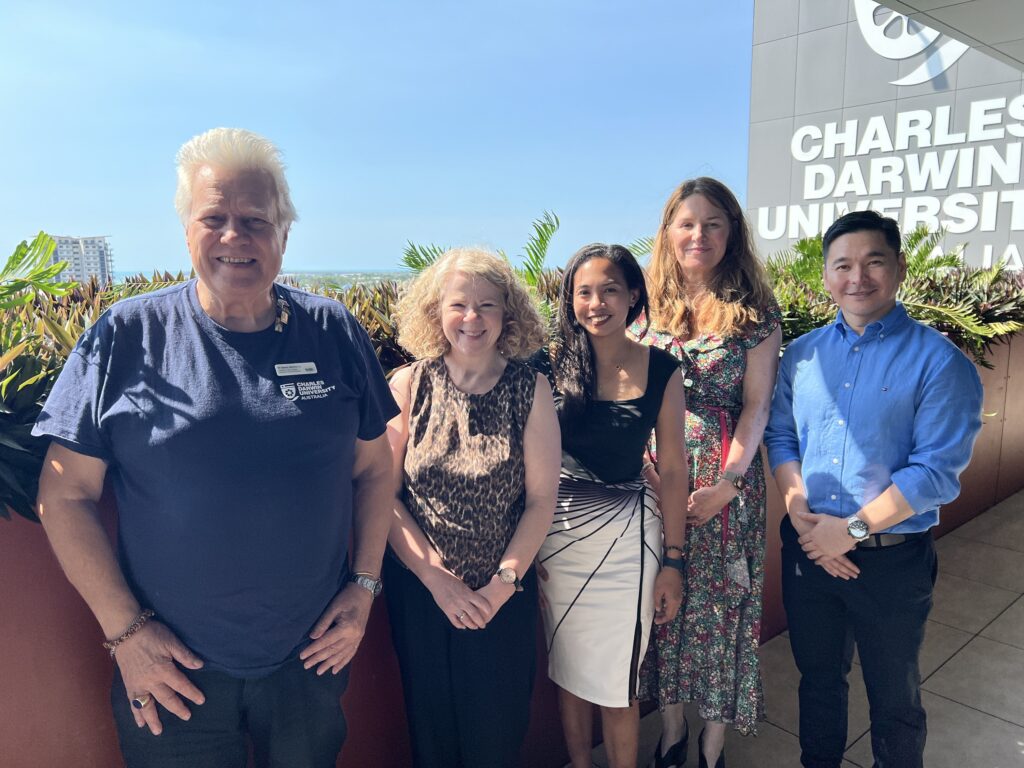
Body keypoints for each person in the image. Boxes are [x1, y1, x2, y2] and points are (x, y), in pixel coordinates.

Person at [32, 127, 398, 768]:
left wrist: (364, 587)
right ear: (186, 231)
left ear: (284, 234)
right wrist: (127, 634)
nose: (235, 237)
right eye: (214, 219)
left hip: (310, 658)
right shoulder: (125, 335)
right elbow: (63, 495)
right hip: (170, 668)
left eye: (256, 220)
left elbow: (373, 467)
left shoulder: (333, 330)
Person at [764, 209, 983, 768]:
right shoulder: (802, 355)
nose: (857, 277)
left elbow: (935, 472)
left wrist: (852, 530)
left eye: (873, 262)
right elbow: (782, 435)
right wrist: (800, 513)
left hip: (891, 561)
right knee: (818, 680)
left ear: (900, 268)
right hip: (809, 549)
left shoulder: (940, 362)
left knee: (894, 698)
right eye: (843, 265)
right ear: (825, 275)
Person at [386, 247, 560, 768]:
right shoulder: (408, 384)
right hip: (421, 596)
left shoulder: (531, 388)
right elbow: (383, 496)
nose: (472, 318)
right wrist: (436, 579)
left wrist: (499, 587)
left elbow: (541, 501)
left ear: (508, 313)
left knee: (495, 739)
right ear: (436, 311)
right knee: (432, 736)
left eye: (487, 305)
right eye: (458, 304)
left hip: (499, 599)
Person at [634, 178, 782, 768]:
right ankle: (672, 731)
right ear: (668, 232)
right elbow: (623, 396)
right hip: (653, 478)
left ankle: (712, 744)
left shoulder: (755, 314)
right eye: (687, 223)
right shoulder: (642, 308)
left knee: (723, 609)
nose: (699, 235)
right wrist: (648, 472)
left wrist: (727, 483)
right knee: (662, 604)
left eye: (713, 223)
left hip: (726, 484)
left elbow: (757, 405)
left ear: (732, 233)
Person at [534, 243, 687, 768]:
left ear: (633, 296)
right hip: (556, 542)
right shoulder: (545, 365)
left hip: (628, 547)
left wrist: (673, 561)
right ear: (570, 300)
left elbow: (673, 469)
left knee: (619, 680)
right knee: (569, 669)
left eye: (609, 290)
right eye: (584, 292)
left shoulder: (663, 369)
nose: (596, 303)